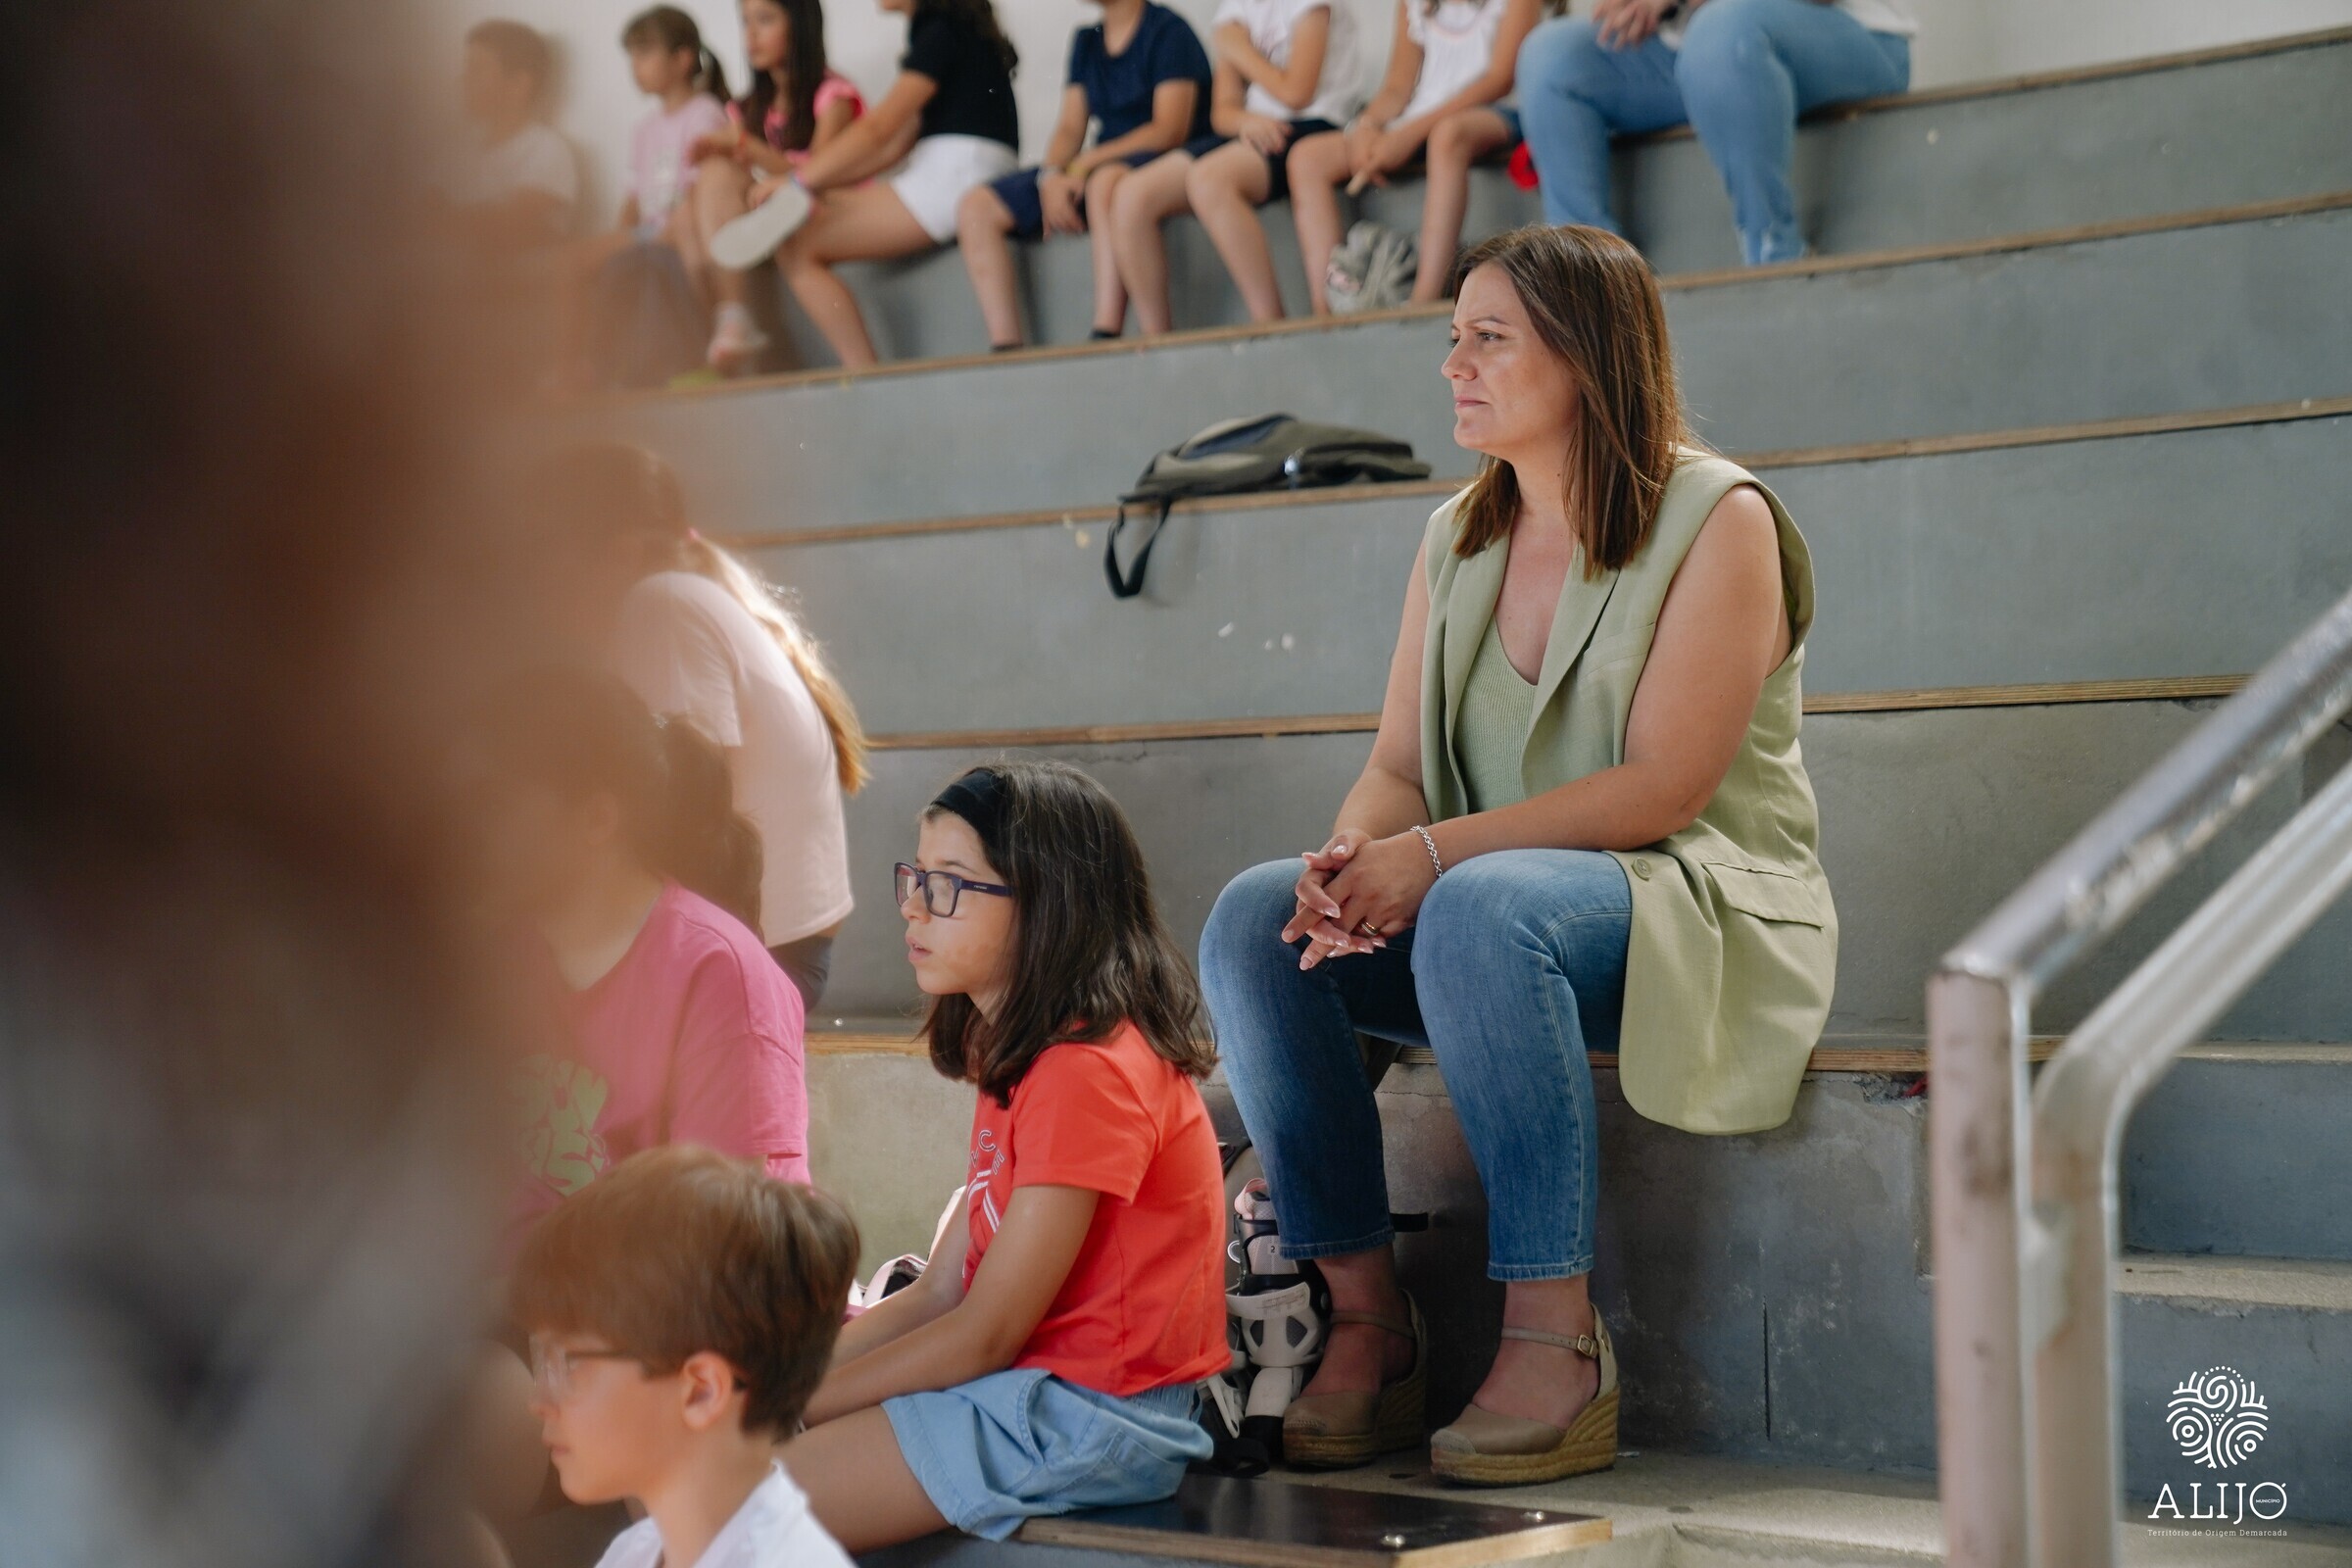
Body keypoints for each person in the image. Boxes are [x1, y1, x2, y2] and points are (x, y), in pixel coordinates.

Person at [1198, 224, 1837, 1483]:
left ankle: (1557, 1342)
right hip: (1485, 910)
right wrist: (1352, 858)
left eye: (1488, 338)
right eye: (1454, 337)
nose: (1454, 365)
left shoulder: (1721, 517)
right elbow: (1397, 761)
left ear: (1588, 355)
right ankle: (1368, 1318)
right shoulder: (1457, 535)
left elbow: (1666, 786)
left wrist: (1430, 857)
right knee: (1253, 919)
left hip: (1692, 904)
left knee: (1484, 907)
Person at [782, 762, 1225, 1551]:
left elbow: (984, 1332)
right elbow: (941, 1291)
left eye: (950, 884)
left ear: (1049, 904)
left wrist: (801, 1408)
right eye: (916, 877)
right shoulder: (1023, 1048)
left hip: (1095, 1414)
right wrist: (787, 1386)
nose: (914, 906)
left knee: (731, 1506)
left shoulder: (1088, 1070)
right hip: (1027, 1387)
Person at [482, 670, 811, 1241]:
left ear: (597, 819)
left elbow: (712, 1247)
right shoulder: (491, 957)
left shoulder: (719, 974)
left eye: (497, 806)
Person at [546, 442, 867, 1011]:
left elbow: (682, 805)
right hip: (785, 954)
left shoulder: (660, 605)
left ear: (617, 552)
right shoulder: (696, 596)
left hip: (754, 963)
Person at [511, 1146, 862, 1568]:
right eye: (542, 1357)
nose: (538, 1402)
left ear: (701, 1391)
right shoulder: (637, 1551)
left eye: (569, 1363)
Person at [1515, 0, 1914, 267]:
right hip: (1693, 49)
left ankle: (1775, 254)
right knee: (1550, 54)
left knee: (1720, 33)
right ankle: (1591, 274)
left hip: (1852, 34)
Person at [763, 0, 1021, 368]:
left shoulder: (940, 29)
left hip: (958, 174)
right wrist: (814, 186)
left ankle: (863, 371)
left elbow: (879, 129)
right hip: (956, 169)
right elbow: (893, 146)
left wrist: (797, 181)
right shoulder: (948, 28)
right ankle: (864, 371)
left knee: (797, 243)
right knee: (809, 217)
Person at [954, 0, 1211, 350]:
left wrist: (1085, 164)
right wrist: (1051, 177)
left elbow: (1168, 130)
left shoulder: (1169, 30)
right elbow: (1070, 127)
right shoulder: (1087, 40)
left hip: (1151, 163)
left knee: (1105, 182)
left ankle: (1106, 330)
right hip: (1094, 163)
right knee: (977, 206)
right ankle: (1007, 347)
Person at [1108, 0, 1356, 331]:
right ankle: (1157, 341)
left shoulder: (1307, 6)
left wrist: (1237, 47)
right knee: (1131, 194)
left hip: (1315, 123)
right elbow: (1222, 113)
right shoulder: (1234, 9)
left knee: (1210, 179)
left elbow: (1298, 93)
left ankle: (1269, 323)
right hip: (1254, 128)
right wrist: (1245, 121)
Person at [1285, 0, 1546, 312]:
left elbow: (1500, 79)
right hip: (1419, 118)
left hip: (1495, 111)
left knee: (1447, 136)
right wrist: (1367, 127)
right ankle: (1328, 307)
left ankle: (1424, 298)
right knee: (1307, 157)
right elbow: (1397, 87)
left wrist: (1410, 135)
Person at [549, 8, 733, 389]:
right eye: (631, 56)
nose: (635, 66)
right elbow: (633, 197)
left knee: (648, 258)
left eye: (645, 54)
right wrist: (619, 237)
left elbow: (701, 189)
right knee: (572, 260)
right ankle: (572, 364)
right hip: (648, 231)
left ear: (682, 60)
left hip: (682, 227)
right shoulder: (645, 129)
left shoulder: (704, 113)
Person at [687, 0, 867, 369]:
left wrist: (746, 146)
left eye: (765, 20)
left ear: (799, 25)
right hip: (763, 212)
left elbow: (819, 175)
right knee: (705, 186)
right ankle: (731, 318)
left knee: (738, 181)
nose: (751, 35)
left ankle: (729, 321)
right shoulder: (746, 108)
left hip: (825, 207)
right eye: (745, 22)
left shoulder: (833, 95)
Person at [446, 20, 580, 258]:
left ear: (519, 84)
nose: (464, 79)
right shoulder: (460, 148)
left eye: (477, 70)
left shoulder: (547, 150)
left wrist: (449, 216)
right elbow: (418, 213)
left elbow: (508, 227)